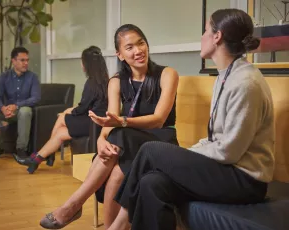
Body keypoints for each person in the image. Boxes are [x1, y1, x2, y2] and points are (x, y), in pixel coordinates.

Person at [106, 9, 275, 230]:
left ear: (217, 37)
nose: (202, 37)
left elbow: (228, 151)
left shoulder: (245, 82)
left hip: (245, 180)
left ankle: (117, 226)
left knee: (150, 150)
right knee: (151, 183)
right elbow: (216, 139)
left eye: (206, 31)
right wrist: (186, 155)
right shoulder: (226, 76)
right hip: (226, 169)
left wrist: (183, 156)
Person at [38, 24, 179, 229]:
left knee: (120, 138)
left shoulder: (167, 74)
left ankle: (74, 204)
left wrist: (121, 122)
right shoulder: (117, 81)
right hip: (129, 142)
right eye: (129, 47)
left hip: (160, 141)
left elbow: (158, 119)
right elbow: (110, 121)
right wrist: (101, 140)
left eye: (141, 43)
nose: (138, 50)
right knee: (116, 170)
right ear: (120, 54)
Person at [16, 46, 109, 173]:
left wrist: (69, 111)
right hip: (96, 121)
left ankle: (48, 156)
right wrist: (71, 110)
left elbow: (83, 108)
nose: (81, 64)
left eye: (82, 61)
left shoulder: (91, 83)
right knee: (60, 133)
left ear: (87, 64)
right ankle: (36, 160)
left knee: (62, 117)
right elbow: (88, 105)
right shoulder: (104, 80)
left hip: (93, 123)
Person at [0, 47, 41, 160]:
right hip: (6, 113)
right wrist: (3, 108)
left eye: (27, 60)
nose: (26, 63)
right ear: (13, 61)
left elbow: (35, 98)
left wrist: (16, 106)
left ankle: (21, 149)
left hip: (21, 112)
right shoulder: (4, 77)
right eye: (22, 60)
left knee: (25, 111)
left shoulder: (33, 77)